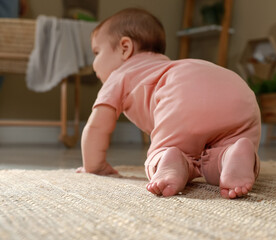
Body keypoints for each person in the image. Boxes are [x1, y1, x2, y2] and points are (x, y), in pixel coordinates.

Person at [76, 8, 261, 199]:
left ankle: (169, 157)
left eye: (97, 52)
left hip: (183, 93)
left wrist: (94, 166)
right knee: (217, 151)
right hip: (239, 91)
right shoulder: (166, 66)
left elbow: (97, 127)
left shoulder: (119, 75)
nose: (94, 63)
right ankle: (231, 154)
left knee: (167, 152)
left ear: (125, 48)